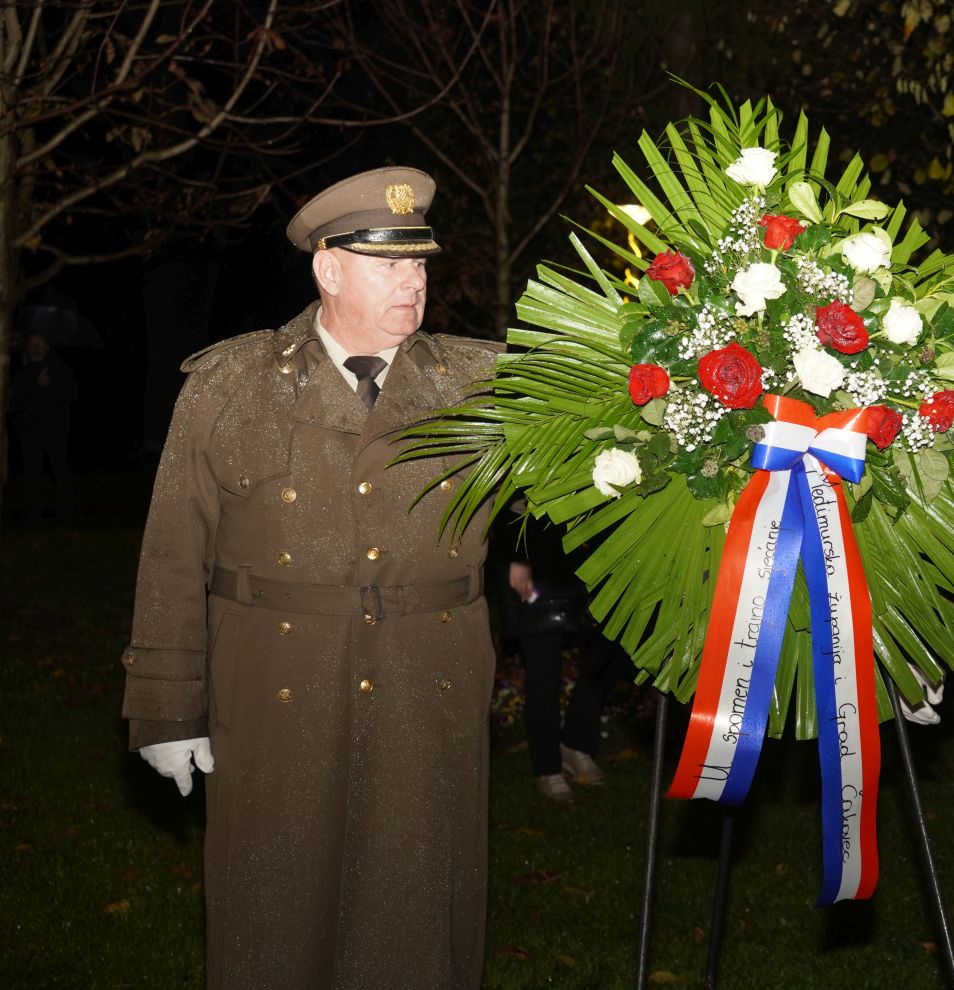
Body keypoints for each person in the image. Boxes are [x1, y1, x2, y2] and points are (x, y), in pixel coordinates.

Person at [121, 167, 503, 990]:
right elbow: (173, 551)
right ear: (328, 269)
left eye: (422, 264)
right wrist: (164, 709)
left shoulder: (484, 387)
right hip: (274, 688)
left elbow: (614, 461)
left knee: (413, 918)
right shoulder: (233, 385)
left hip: (423, 689)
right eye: (389, 264)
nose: (415, 281)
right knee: (273, 912)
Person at [501, 506, 627, 802]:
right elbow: (509, 490)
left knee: (607, 653)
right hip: (536, 561)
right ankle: (548, 768)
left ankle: (576, 742)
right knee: (544, 668)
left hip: (590, 560)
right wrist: (516, 555)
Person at [10, 331, 78, 522]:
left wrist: (51, 384)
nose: (36, 348)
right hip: (30, 431)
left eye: (39, 344)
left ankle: (65, 511)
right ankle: (34, 513)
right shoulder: (23, 369)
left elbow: (71, 394)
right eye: (32, 344)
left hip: (55, 430)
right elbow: (17, 399)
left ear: (47, 345)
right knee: (32, 473)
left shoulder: (58, 367)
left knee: (60, 470)